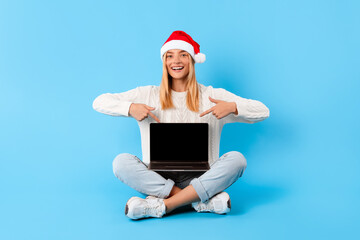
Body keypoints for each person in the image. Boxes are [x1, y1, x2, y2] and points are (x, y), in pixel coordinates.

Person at [92, 30, 270, 220]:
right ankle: (198, 201)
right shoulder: (148, 94)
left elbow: (263, 111)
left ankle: (163, 205)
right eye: (170, 56)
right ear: (164, 62)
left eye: (183, 55)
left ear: (192, 60)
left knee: (238, 160)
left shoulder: (212, 95)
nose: (175, 61)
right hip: (158, 178)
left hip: (200, 178)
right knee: (120, 162)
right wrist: (130, 108)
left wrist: (233, 107)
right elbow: (99, 101)